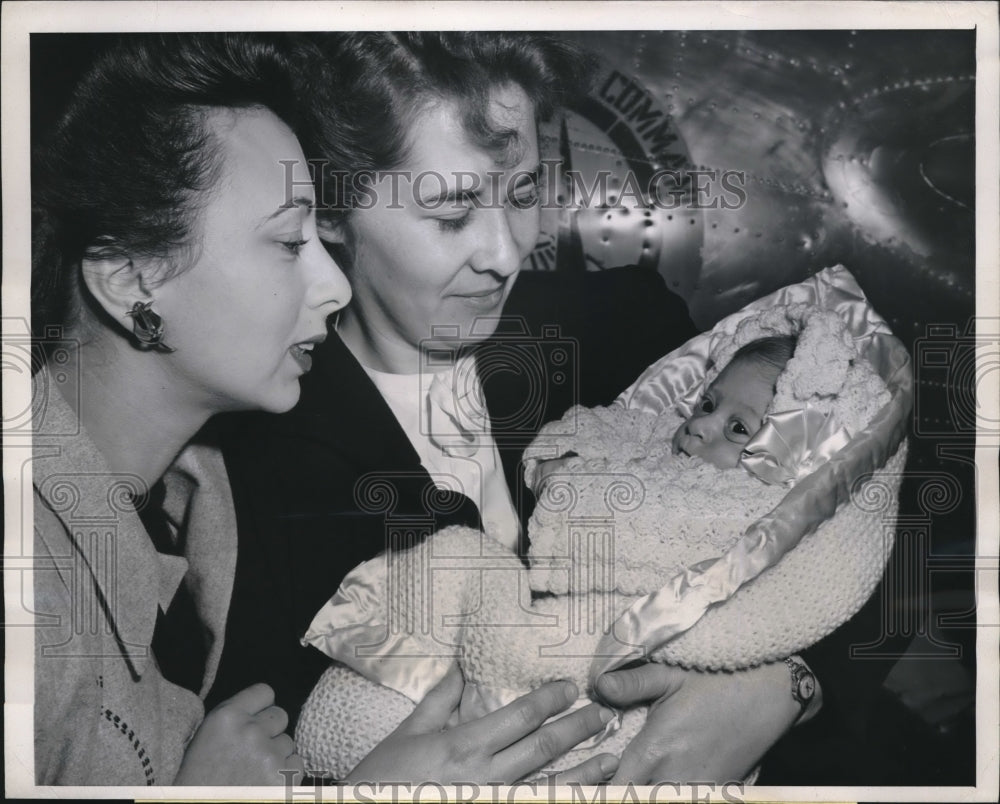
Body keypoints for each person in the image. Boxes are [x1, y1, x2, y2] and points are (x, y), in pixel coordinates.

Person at [214, 31, 908, 784]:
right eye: (450, 214)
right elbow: (259, 736)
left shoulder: (619, 325)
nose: (506, 252)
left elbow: (871, 505)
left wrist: (781, 686)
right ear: (330, 210)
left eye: (522, 194)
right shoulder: (255, 452)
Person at [30, 32, 612, 787]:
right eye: (286, 241)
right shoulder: (69, 555)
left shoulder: (192, 512)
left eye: (524, 194)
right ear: (132, 278)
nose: (330, 286)